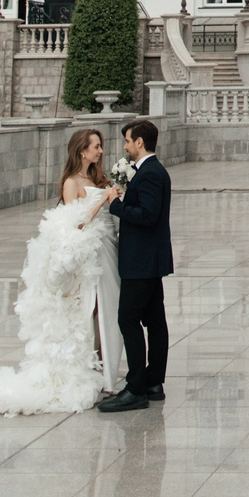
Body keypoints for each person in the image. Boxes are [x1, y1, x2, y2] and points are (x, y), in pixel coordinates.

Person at [0, 128, 125, 414]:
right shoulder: (71, 182)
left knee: (108, 309)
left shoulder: (97, 178)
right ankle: (95, 373)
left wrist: (112, 194)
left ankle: (107, 369)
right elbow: (74, 222)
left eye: (100, 146)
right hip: (89, 254)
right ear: (82, 150)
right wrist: (101, 201)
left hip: (107, 249)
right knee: (92, 311)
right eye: (96, 146)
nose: (100, 151)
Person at [96, 119, 171, 412]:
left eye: (128, 141)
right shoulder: (149, 171)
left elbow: (148, 215)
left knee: (128, 319)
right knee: (154, 321)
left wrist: (117, 205)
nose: (125, 146)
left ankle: (136, 387)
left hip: (141, 261)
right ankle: (153, 382)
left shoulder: (151, 173)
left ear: (140, 142)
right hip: (149, 259)